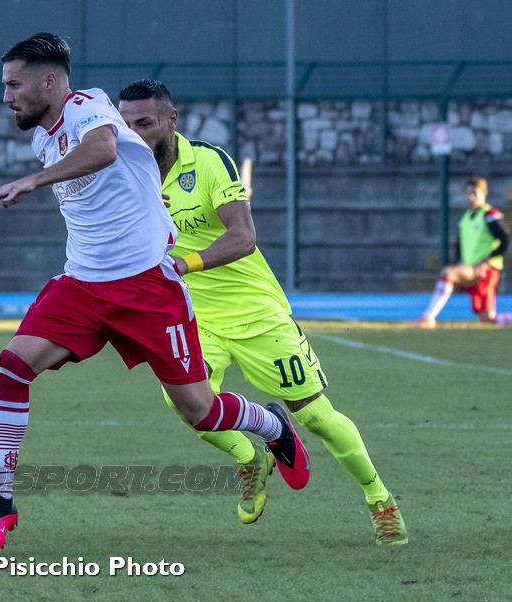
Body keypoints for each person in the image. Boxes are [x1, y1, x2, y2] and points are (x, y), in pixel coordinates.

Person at [0, 34, 310, 556]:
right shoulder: (43, 137)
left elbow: (104, 149)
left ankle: (273, 427)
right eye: (5, 86)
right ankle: (0, 502)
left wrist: (35, 181)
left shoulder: (90, 106)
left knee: (200, 411)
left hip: (148, 288)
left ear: (50, 82)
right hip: (81, 285)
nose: (7, 96)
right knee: (13, 368)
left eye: (15, 85)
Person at [117, 78, 407, 545]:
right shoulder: (123, 170)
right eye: (126, 124)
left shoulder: (207, 162)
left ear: (172, 120)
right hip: (193, 317)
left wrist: (183, 264)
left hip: (255, 312)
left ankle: (380, 500)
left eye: (145, 123)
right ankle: (251, 457)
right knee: (186, 405)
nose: (134, 133)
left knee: (316, 416)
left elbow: (244, 237)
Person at [413, 177, 511, 328]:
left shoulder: (489, 215)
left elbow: (505, 238)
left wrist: (487, 261)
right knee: (487, 319)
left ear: (484, 193)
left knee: (448, 273)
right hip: (469, 268)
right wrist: (458, 261)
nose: (471, 197)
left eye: (474, 193)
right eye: (468, 193)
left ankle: (428, 318)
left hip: (484, 270)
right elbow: (460, 246)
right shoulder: (465, 218)